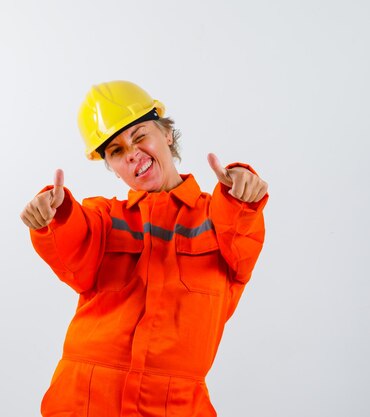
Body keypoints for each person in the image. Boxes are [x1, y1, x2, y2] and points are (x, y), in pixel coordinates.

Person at [20, 80, 268, 417]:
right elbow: (74, 241)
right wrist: (54, 214)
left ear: (166, 133)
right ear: (111, 165)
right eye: (117, 150)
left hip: (173, 405)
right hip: (83, 398)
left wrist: (242, 195)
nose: (132, 153)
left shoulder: (217, 216)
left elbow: (239, 232)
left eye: (139, 136)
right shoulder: (106, 218)